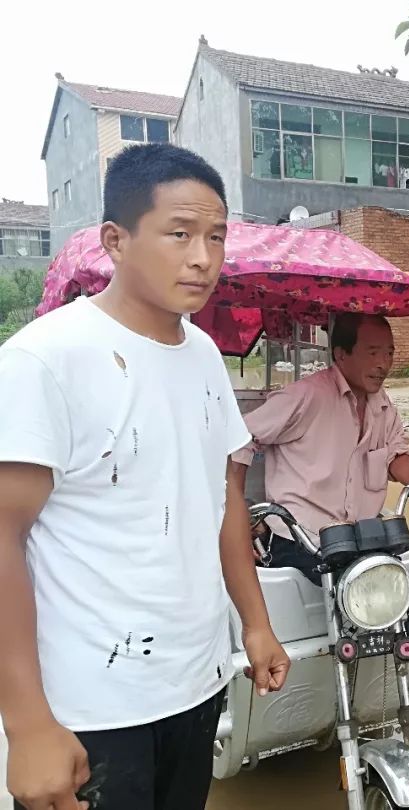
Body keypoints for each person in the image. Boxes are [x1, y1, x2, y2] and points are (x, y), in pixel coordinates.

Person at [0, 143, 291, 810]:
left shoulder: (206, 358)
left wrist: (254, 622)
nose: (203, 257)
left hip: (194, 683)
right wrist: (27, 723)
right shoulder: (46, 361)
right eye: (180, 233)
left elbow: (223, 503)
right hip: (89, 708)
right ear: (116, 241)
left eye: (216, 236)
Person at [229, 313, 409, 582]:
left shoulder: (383, 407)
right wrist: (236, 514)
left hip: (363, 540)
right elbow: (239, 437)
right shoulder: (306, 397)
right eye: (372, 353)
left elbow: (396, 454)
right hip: (301, 541)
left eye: (389, 353)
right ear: (341, 354)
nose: (383, 364)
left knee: (402, 598)